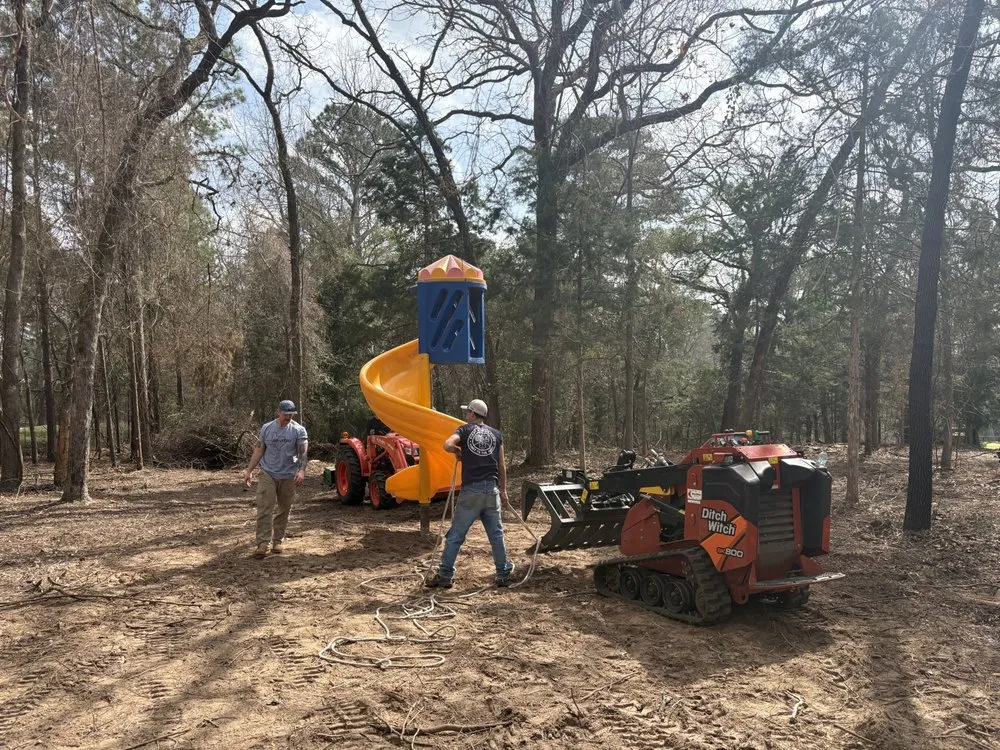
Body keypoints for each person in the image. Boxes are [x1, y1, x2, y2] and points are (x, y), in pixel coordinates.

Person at [426, 398, 514, 589]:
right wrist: (504, 490)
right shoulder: (496, 434)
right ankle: (502, 574)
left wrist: (457, 452)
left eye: (468, 412)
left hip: (471, 491)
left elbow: (447, 445)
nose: (466, 415)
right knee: (496, 535)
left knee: (456, 535)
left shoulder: (464, 430)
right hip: (492, 490)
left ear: (473, 414)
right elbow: (501, 465)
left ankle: (445, 575)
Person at [244, 400, 309, 558]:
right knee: (265, 507)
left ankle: (277, 541)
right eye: (286, 414)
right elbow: (259, 450)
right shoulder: (267, 428)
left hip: (288, 474)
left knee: (284, 509)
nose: (288, 417)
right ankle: (262, 543)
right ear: (278, 412)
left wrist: (301, 470)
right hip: (268, 473)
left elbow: (302, 453)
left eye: (291, 415)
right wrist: (249, 470)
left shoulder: (298, 430)